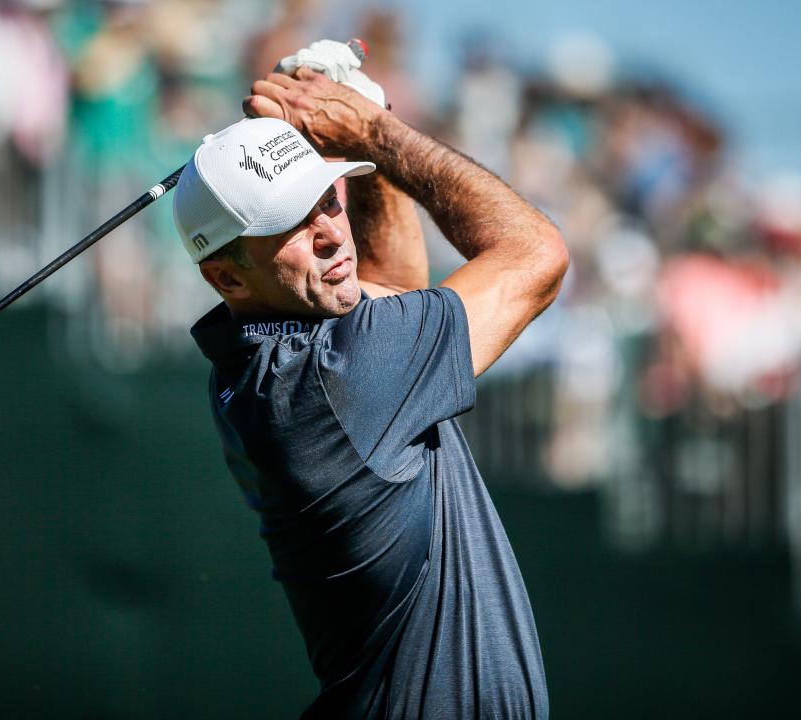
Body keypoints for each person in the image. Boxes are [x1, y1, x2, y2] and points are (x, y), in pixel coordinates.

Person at [173, 40, 568, 719]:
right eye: (290, 222)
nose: (330, 232)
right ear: (226, 276)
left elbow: (394, 290)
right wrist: (372, 130)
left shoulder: (265, 362)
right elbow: (538, 255)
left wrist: (366, 125)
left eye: (326, 198)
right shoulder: (333, 384)